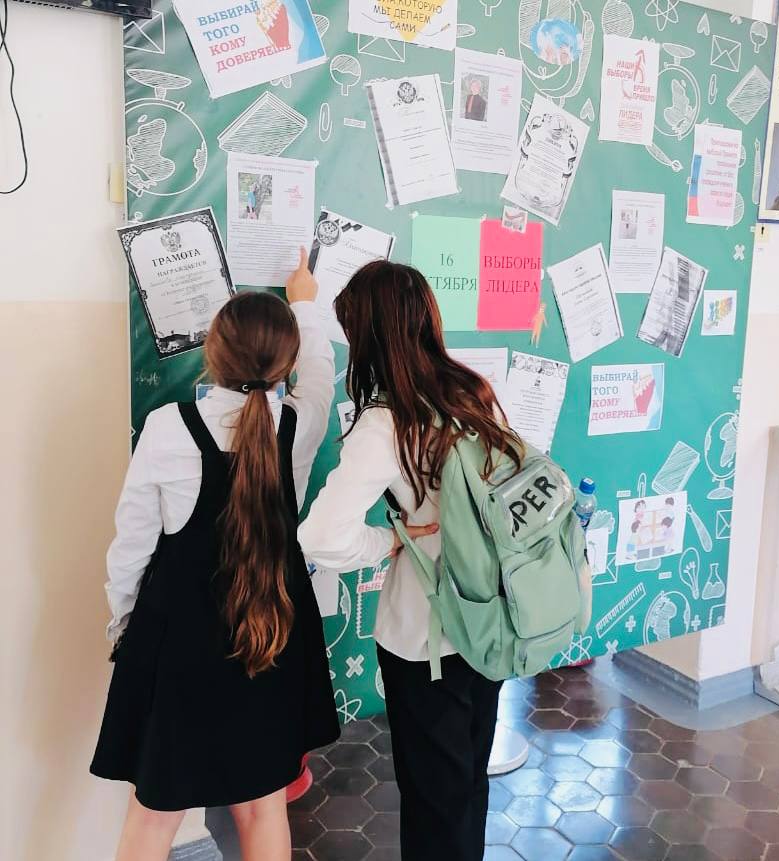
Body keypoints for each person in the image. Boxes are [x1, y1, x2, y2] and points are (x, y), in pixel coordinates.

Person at [91, 250, 340, 861]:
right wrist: (304, 305)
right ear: (286, 365)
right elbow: (321, 373)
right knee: (262, 809)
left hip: (180, 643)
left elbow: (131, 548)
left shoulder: (167, 427)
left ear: (213, 351)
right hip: (272, 636)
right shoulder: (300, 425)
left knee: (154, 815)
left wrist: (123, 629)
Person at [298, 260, 525, 861]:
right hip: (490, 618)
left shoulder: (387, 422)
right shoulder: (473, 392)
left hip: (426, 637)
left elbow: (320, 536)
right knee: (468, 783)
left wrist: (389, 542)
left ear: (371, 336)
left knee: (433, 800)